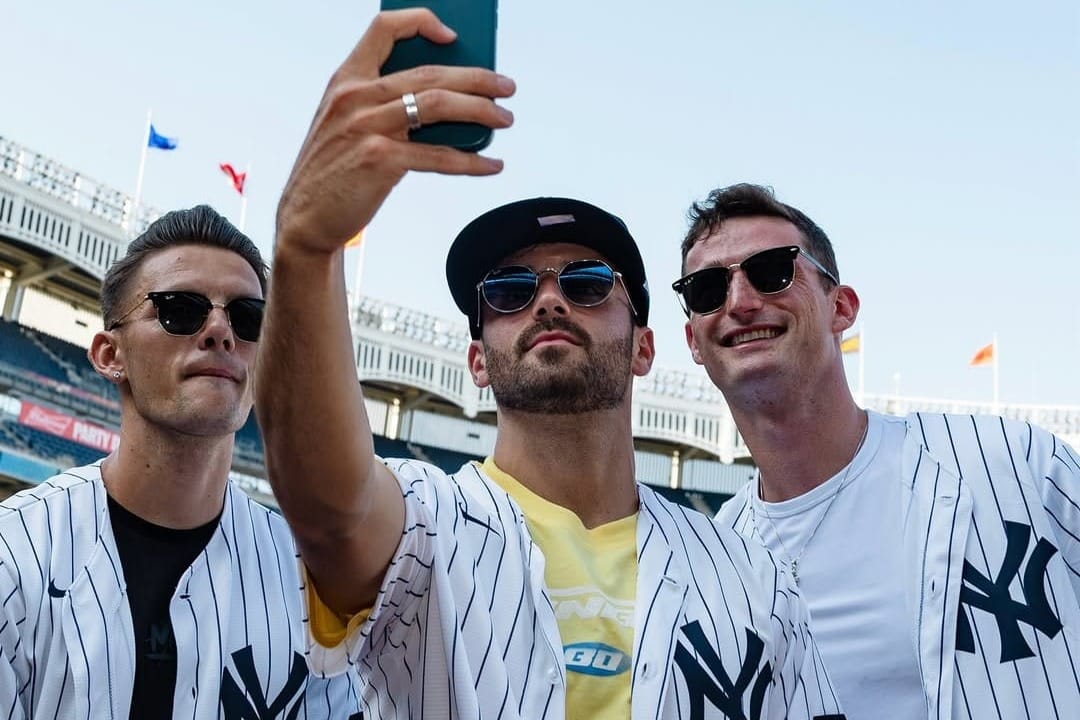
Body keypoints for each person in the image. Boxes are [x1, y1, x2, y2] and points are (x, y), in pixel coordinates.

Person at [255, 9, 846, 719]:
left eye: (588, 284)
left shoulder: (752, 574)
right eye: (508, 292)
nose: (548, 301)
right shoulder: (423, 518)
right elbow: (327, 513)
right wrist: (305, 248)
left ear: (645, 348)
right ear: (477, 360)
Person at [673, 182, 1080, 719]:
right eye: (708, 288)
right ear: (694, 342)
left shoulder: (1009, 461)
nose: (741, 302)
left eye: (771, 271)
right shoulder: (710, 567)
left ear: (841, 307)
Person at [0, 205, 362, 718]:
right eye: (179, 310)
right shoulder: (15, 549)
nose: (220, 331)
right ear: (110, 354)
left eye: (247, 317)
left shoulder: (312, 582)